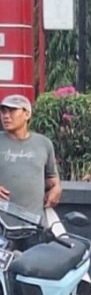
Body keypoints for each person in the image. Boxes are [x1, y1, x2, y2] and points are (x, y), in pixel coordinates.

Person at [0, 93, 62, 232]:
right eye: (3, 111)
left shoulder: (43, 143)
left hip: (33, 224)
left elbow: (52, 179)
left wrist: (57, 188)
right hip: (2, 226)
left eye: (12, 110)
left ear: (26, 114)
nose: (6, 115)